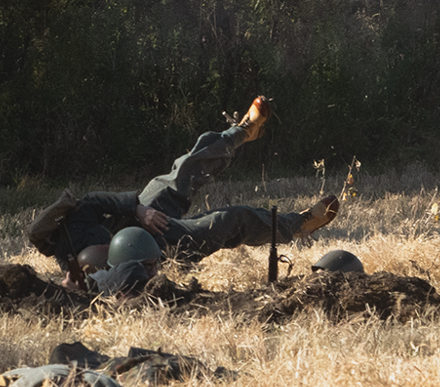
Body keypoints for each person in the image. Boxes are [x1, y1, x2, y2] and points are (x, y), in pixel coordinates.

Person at [28, 96, 340, 288]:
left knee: (186, 167)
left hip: (138, 219)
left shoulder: (73, 230)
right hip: (158, 244)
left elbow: (96, 200)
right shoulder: (89, 279)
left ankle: (242, 131)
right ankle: (297, 225)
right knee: (229, 221)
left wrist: (139, 210)